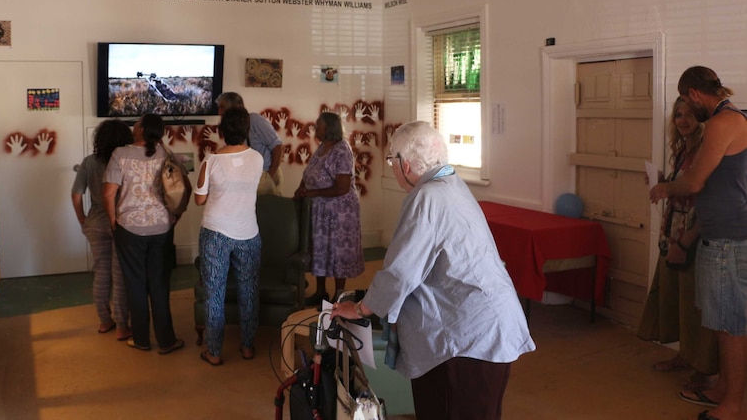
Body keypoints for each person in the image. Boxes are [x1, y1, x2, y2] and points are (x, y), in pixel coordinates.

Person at [332, 121, 535, 420]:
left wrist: (362, 309)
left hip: (467, 340)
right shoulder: (450, 184)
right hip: (487, 329)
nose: (392, 167)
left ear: (406, 163)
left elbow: (401, 272)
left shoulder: (427, 197)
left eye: (391, 160)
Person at [650, 66, 747, 420]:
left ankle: (733, 406)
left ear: (693, 93)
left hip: (727, 238)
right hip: (726, 233)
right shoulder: (735, 118)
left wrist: (663, 188)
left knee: (730, 324)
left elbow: (694, 183)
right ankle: (724, 388)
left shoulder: (723, 122)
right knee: (724, 319)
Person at [639, 98, 718, 391]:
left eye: (689, 115)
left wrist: (685, 241)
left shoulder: (706, 150)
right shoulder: (683, 150)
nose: (682, 120)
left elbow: (705, 200)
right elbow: (682, 188)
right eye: (678, 115)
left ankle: (705, 371)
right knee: (678, 302)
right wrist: (661, 183)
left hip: (692, 239)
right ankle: (686, 356)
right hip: (673, 233)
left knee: (696, 307)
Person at [102, 114, 184, 355]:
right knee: (159, 284)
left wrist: (113, 221)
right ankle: (167, 341)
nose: (133, 126)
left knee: (135, 284)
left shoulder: (120, 154)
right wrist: (174, 216)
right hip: (162, 227)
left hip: (129, 229)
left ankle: (141, 339)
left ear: (141, 130)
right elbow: (180, 187)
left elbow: (108, 194)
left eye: (136, 123)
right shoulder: (166, 154)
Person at [193, 106, 264, 366]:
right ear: (246, 130)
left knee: (215, 293)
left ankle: (214, 351)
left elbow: (199, 199)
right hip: (249, 233)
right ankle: (247, 346)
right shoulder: (257, 158)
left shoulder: (211, 161)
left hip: (216, 234)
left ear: (221, 131)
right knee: (249, 291)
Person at [71, 119, 134, 341]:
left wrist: (82, 219)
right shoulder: (126, 161)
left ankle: (105, 321)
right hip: (120, 221)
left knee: (101, 272)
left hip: (95, 222)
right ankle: (122, 325)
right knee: (119, 275)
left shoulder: (89, 162)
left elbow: (76, 193)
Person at [293, 111, 363, 305]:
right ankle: (321, 291)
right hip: (319, 211)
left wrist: (311, 194)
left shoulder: (342, 149)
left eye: (319, 124)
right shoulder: (323, 146)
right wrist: (301, 189)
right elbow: (309, 173)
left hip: (339, 212)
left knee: (338, 251)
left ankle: (339, 294)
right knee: (319, 250)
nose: (316, 127)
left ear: (329, 127)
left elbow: (342, 187)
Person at [216, 92, 283, 195]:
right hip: (247, 178)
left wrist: (269, 175)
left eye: (222, 107)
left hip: (263, 175)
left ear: (236, 107)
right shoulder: (233, 126)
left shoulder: (255, 120)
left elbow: (278, 147)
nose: (219, 112)